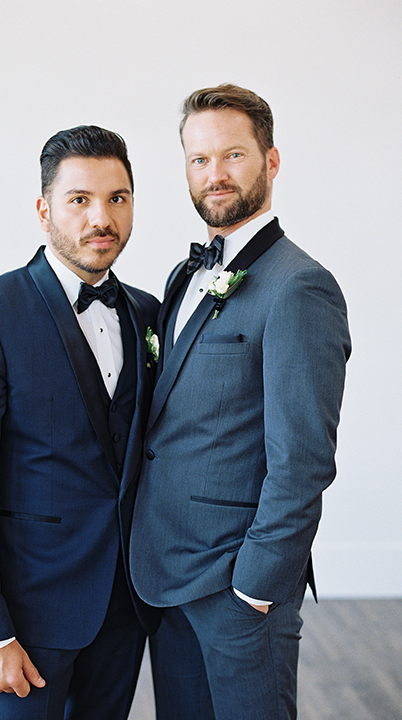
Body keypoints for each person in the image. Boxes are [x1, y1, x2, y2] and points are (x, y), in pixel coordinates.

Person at [130, 84, 351, 720]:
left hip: (238, 587)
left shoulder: (300, 287)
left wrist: (256, 585)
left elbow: (304, 457)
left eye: (233, 155)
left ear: (271, 161)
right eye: (199, 160)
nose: (215, 174)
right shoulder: (182, 276)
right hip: (165, 576)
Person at [0, 124, 160, 720]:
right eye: (79, 200)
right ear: (43, 209)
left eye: (117, 198)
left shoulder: (145, 312)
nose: (100, 218)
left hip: (124, 607)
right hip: (25, 619)